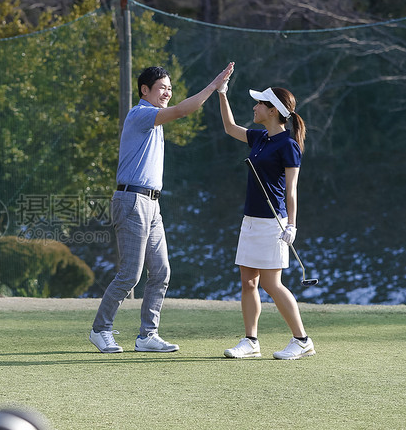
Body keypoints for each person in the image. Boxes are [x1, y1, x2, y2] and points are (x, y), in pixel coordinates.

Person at [90, 63, 234, 353]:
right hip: (132, 201)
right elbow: (183, 110)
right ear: (145, 90)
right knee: (130, 274)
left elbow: (177, 109)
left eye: (170, 88)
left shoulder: (153, 119)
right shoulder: (141, 114)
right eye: (162, 88)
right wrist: (214, 85)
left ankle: (147, 336)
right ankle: (100, 329)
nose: (167, 92)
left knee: (161, 272)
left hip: (151, 204)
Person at [216, 72, 316, 359]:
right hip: (250, 221)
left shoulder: (289, 145)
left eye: (259, 103)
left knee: (272, 284)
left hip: (274, 224)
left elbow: (292, 191)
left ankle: (301, 340)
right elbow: (229, 127)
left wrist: (292, 225)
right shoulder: (259, 138)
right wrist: (223, 94)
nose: (254, 107)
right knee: (248, 282)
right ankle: (251, 341)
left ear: (273, 110)